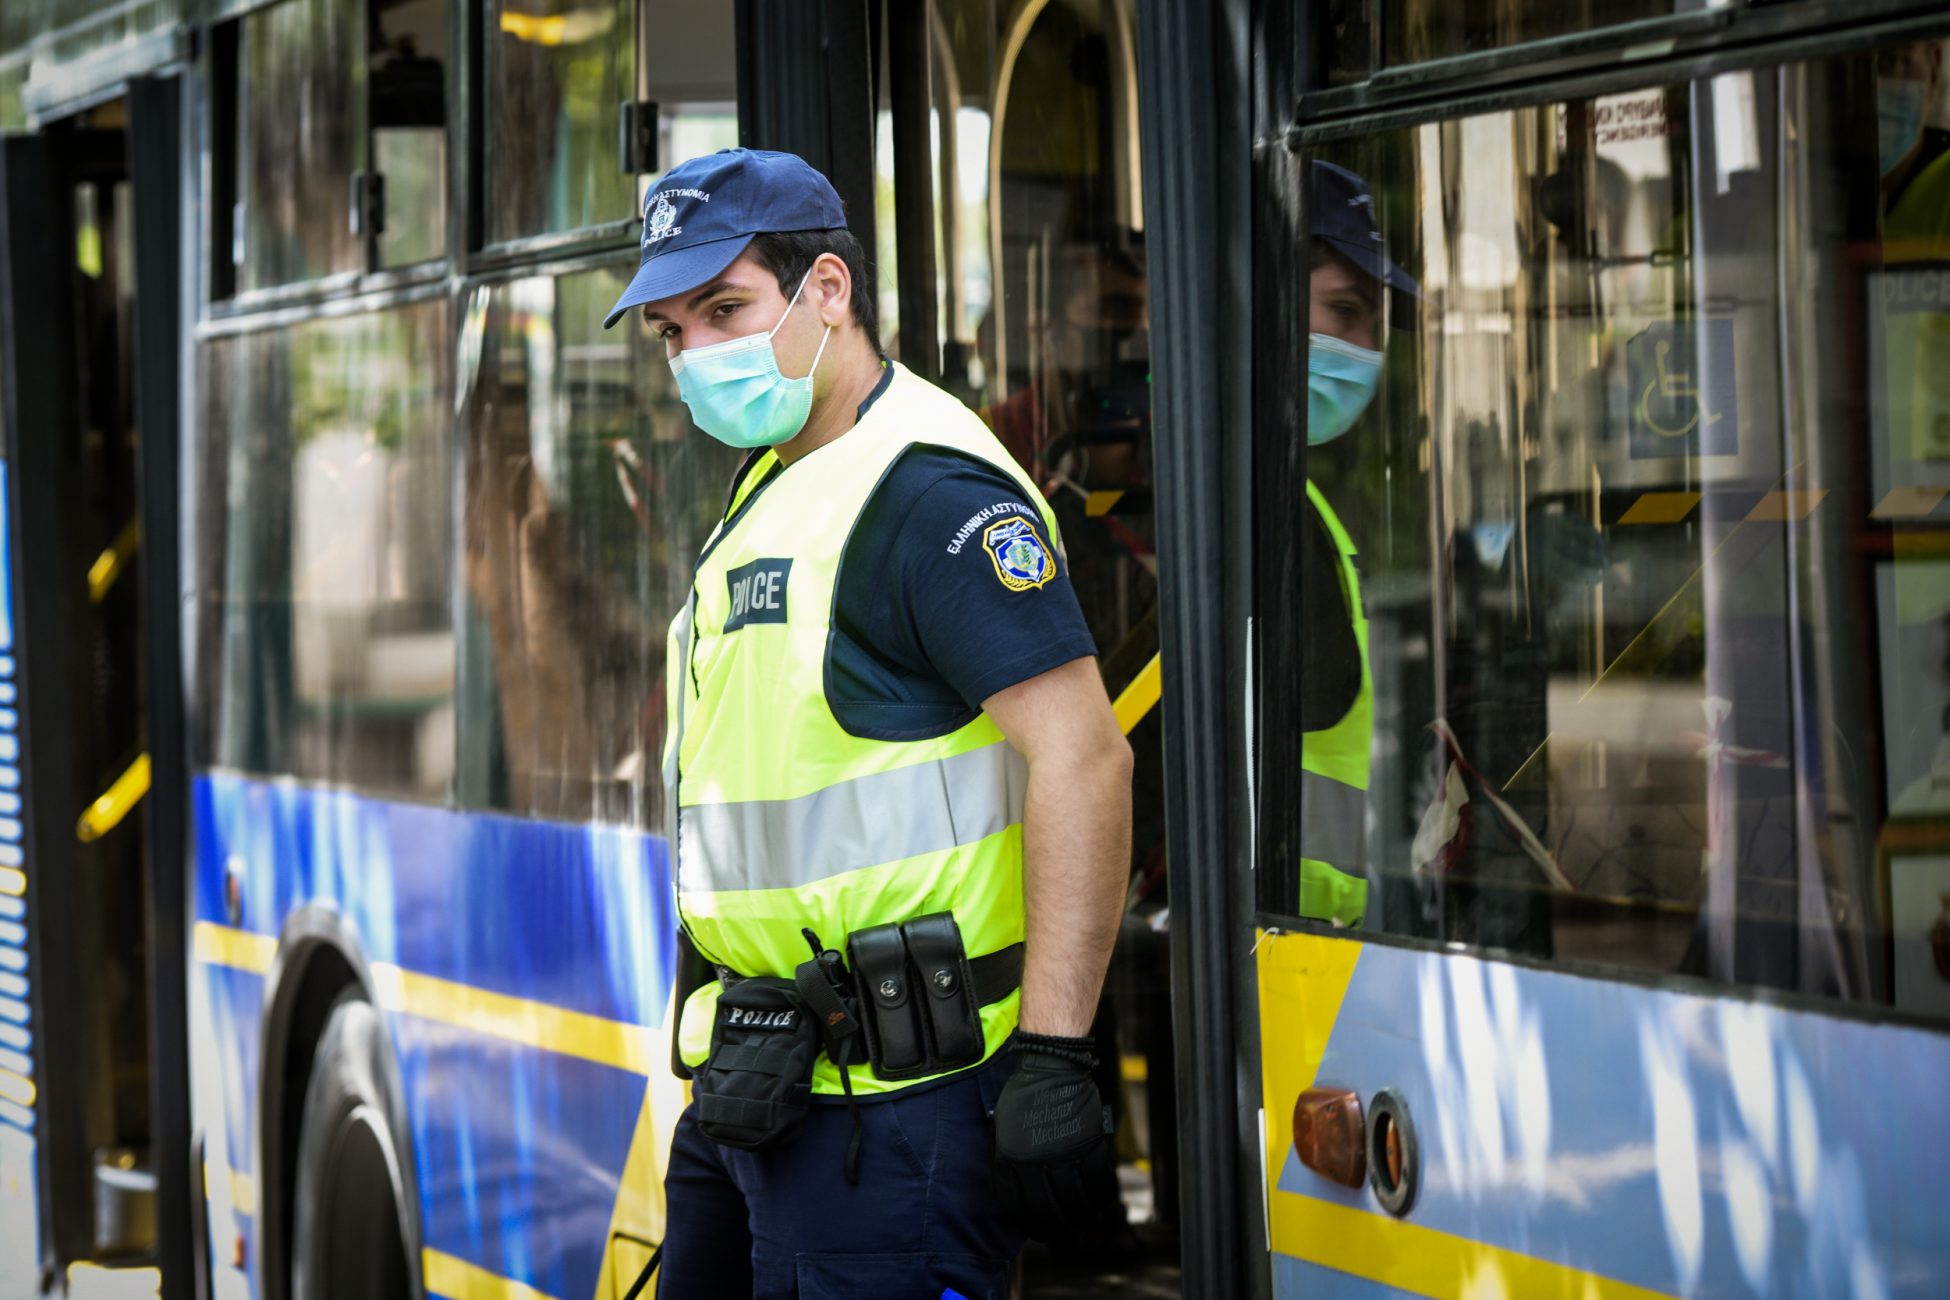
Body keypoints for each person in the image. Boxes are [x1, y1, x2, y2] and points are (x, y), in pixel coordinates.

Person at [602, 148, 1133, 1298]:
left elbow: (1085, 759)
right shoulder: (779, 475)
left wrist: (1052, 1054)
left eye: (725, 310)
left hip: (898, 1121)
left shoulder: (930, 495)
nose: (698, 355)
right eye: (674, 334)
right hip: (759, 1088)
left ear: (828, 291)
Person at [1296, 160, 1418, 927]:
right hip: (1285, 937)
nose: (1366, 348)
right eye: (1344, 312)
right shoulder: (1258, 513)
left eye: (1374, 323)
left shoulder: (1291, 496)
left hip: (1307, 930)